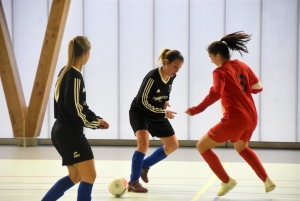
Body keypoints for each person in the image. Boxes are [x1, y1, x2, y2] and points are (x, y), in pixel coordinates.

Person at [185, 31, 276, 196]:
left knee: (202, 146)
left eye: (211, 57)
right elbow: (258, 87)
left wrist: (196, 109)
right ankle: (267, 180)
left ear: (218, 56)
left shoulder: (219, 72)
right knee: (242, 147)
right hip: (252, 117)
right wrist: (241, 91)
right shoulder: (241, 65)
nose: (211, 60)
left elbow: (215, 93)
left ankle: (227, 182)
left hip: (236, 119)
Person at [41, 36, 109, 201]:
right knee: (89, 176)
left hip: (61, 130)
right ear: (87, 53)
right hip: (70, 133)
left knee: (75, 176)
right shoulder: (75, 76)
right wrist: (94, 124)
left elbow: (80, 106)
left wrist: (96, 118)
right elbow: (74, 110)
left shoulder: (65, 72)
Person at [128, 48, 184, 192]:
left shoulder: (172, 76)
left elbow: (166, 91)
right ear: (166, 62)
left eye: (179, 68)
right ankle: (133, 182)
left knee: (173, 145)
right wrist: (163, 113)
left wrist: (165, 101)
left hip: (157, 112)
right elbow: (143, 102)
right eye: (175, 66)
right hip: (140, 112)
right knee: (143, 143)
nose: (177, 70)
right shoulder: (152, 77)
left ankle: (144, 165)